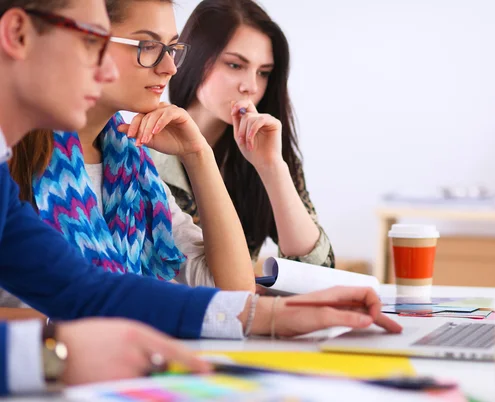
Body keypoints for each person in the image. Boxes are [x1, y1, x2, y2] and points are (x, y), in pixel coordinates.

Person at [0, 1, 400, 393]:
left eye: (170, 48)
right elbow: (77, 305)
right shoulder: (26, 166)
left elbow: (88, 291)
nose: (103, 67)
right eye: (92, 42)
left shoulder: (127, 163)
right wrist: (56, 353)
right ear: (17, 35)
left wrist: (274, 314)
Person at [9, 0, 255, 291]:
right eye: (147, 45)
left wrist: (198, 156)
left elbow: (235, 293)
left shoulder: (131, 169)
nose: (169, 69)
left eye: (172, 49)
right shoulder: (12, 153)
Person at [154, 0, 335, 268]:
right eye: (235, 65)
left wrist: (272, 167)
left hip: (237, 308)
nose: (250, 86)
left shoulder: (267, 150)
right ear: (194, 57)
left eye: (263, 73)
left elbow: (316, 271)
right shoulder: (144, 146)